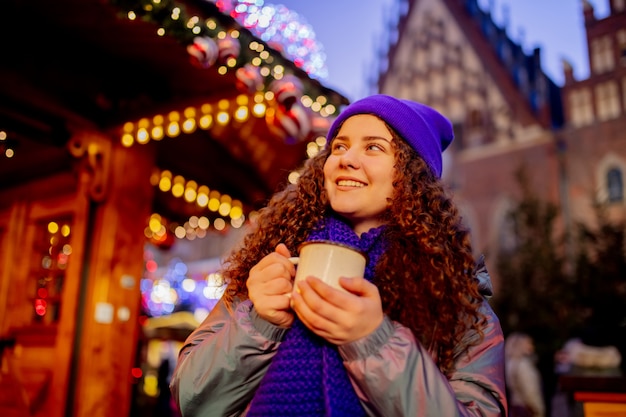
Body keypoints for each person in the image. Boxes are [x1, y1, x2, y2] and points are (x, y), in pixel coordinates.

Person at [169, 94, 508, 416]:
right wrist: (257, 322)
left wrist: (373, 342)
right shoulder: (268, 265)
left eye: (373, 147)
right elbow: (192, 402)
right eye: (339, 146)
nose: (346, 158)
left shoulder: (458, 303)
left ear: (412, 176)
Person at [504, 332, 545, 417]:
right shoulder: (523, 365)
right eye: (528, 343)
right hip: (527, 407)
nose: (531, 347)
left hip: (516, 405)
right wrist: (536, 407)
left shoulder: (510, 363)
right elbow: (529, 390)